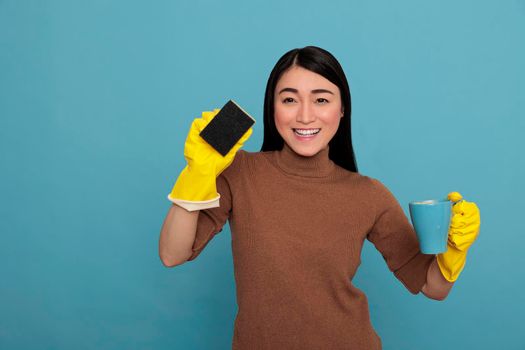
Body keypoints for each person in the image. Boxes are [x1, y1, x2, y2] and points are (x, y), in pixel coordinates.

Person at [158, 46, 481, 350]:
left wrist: (454, 251)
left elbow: (432, 288)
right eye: (289, 100)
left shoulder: (369, 194)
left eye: (322, 100)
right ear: (272, 109)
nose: (305, 116)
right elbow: (172, 254)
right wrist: (196, 174)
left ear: (342, 111)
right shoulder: (239, 172)